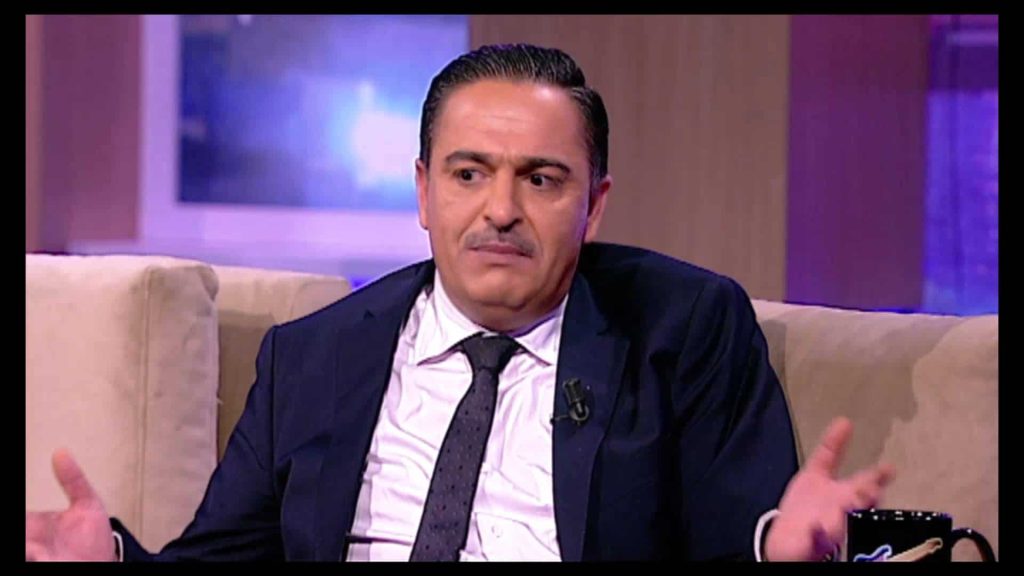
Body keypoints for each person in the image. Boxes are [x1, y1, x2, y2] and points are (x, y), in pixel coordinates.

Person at [25, 43, 892, 562]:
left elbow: (744, 534)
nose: (500, 210)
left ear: (594, 206)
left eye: (541, 180)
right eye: (469, 173)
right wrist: (111, 555)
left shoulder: (681, 328)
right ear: (424, 191)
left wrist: (784, 548)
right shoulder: (313, 357)